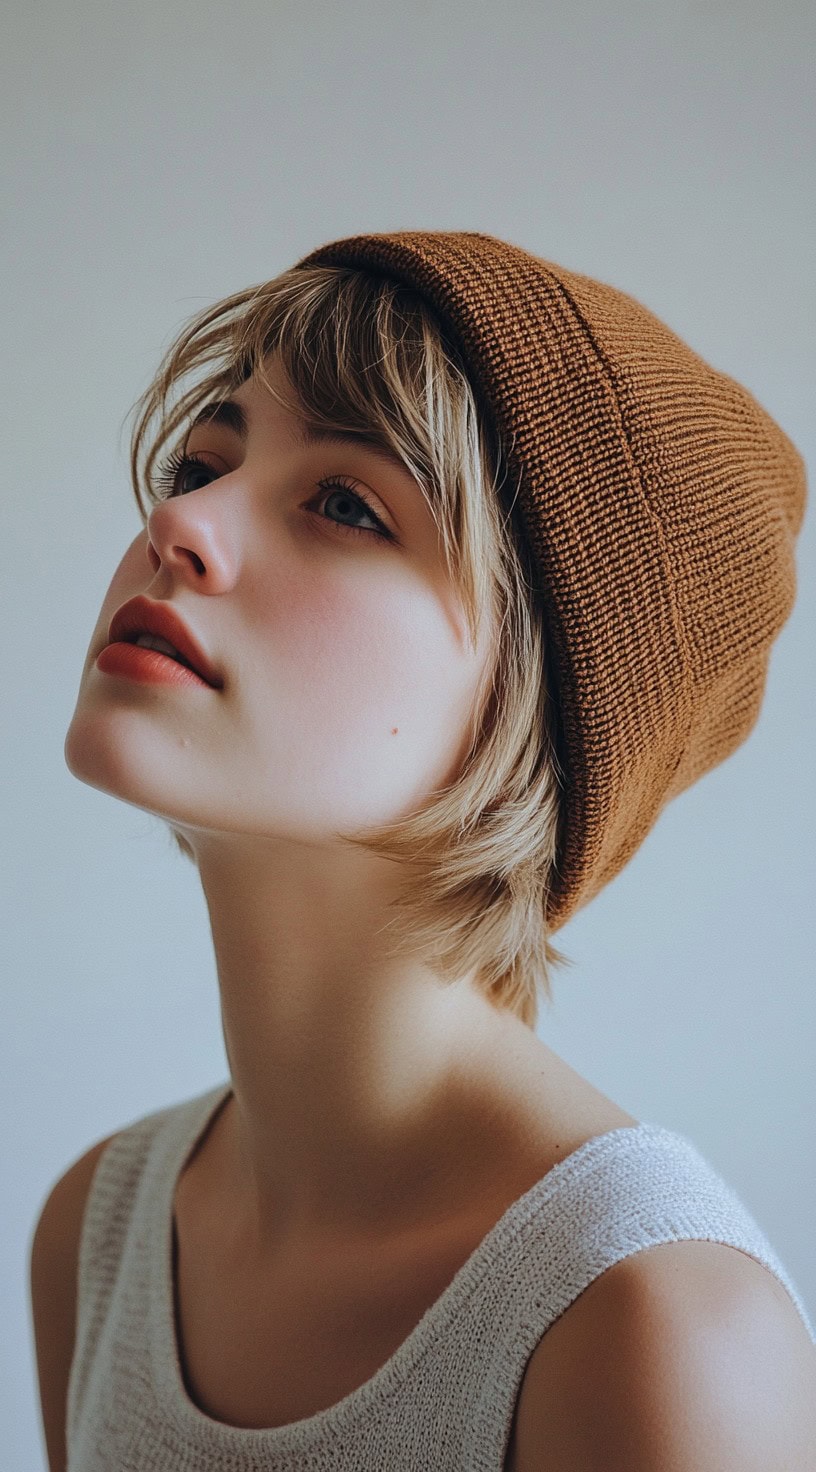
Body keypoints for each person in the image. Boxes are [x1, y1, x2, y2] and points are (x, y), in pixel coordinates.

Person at [31, 230, 816, 1472]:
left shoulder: (653, 1328)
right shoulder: (100, 1229)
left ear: (535, 701)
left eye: (346, 503)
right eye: (203, 457)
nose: (181, 520)